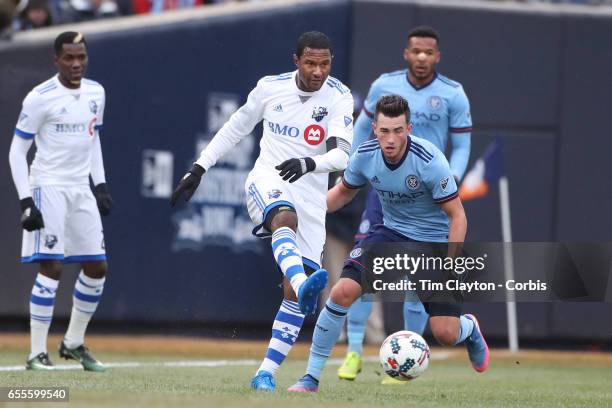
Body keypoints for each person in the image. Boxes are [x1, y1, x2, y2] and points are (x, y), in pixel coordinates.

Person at [170, 31, 354, 392]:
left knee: (290, 295)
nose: (318, 71)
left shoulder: (339, 96)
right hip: (267, 180)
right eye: (310, 62)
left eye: (325, 63)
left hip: (311, 195)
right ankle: (304, 284)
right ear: (295, 60)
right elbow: (236, 127)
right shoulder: (270, 88)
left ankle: (265, 372)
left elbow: (342, 155)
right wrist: (200, 167)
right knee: (284, 219)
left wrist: (308, 163)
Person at [288, 95, 488, 393]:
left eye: (397, 130)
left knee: (445, 333)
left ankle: (469, 329)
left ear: (409, 128)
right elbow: (342, 193)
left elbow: (458, 216)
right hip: (389, 235)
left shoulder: (430, 161)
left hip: (433, 243)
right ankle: (311, 377)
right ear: (374, 129)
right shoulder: (365, 155)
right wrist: (302, 211)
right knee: (342, 291)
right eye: (384, 131)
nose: (390, 139)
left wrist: (450, 263)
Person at [337, 25, 473, 382]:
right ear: (406, 53)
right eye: (416, 51)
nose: (422, 58)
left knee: (418, 281)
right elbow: (361, 125)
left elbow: (460, 146)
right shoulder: (385, 85)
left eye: (429, 52)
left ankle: (405, 356)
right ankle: (353, 353)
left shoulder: (453, 95)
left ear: (437, 56)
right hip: (385, 190)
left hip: (428, 194)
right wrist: (350, 161)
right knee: (364, 269)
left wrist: (452, 179)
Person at [8, 31, 112, 372]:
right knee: (51, 266)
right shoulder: (41, 97)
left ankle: (73, 342)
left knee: (97, 267)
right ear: (56, 60)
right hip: (47, 187)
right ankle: (36, 353)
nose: (76, 63)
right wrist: (26, 201)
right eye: (69, 57)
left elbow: (92, 138)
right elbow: (17, 150)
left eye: (81, 56)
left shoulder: (96, 92)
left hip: (80, 188)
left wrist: (100, 185)